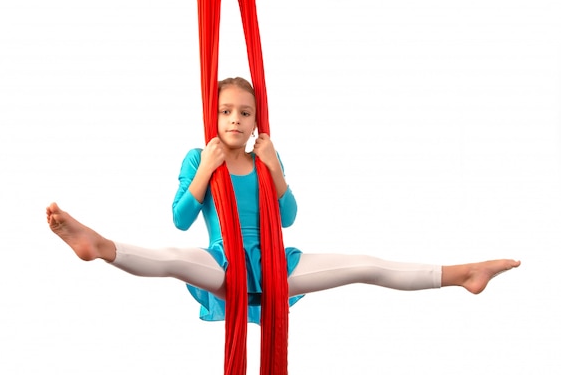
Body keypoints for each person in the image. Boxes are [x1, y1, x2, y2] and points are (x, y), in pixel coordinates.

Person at [46, 76, 520, 324]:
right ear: (213, 117)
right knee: (172, 259)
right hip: (223, 263)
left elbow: (287, 217)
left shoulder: (263, 157)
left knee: (366, 265)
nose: (235, 119)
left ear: (255, 121)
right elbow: (179, 220)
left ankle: (464, 275)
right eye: (226, 111)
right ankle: (99, 246)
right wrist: (207, 168)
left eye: (244, 113)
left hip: (275, 265)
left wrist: (272, 166)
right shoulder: (199, 157)